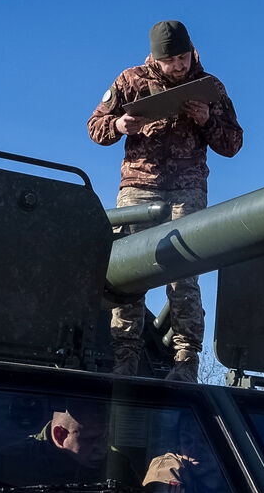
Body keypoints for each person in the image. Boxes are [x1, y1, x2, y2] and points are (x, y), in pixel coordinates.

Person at [87, 20, 243, 382]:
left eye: (183, 57)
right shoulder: (130, 80)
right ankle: (124, 357)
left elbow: (233, 144)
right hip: (138, 187)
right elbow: (95, 126)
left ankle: (186, 362)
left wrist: (206, 121)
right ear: (157, 59)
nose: (178, 66)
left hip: (187, 190)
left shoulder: (210, 87)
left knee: (184, 277)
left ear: (192, 51)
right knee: (128, 275)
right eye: (170, 60)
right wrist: (119, 126)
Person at [0, 399, 137, 487]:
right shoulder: (8, 464)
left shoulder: (118, 468)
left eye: (106, 437)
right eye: (91, 439)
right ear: (60, 435)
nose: (102, 448)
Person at [142, 421, 233, 493]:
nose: (195, 449)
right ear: (179, 447)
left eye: (204, 439)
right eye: (187, 441)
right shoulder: (169, 465)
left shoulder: (238, 466)